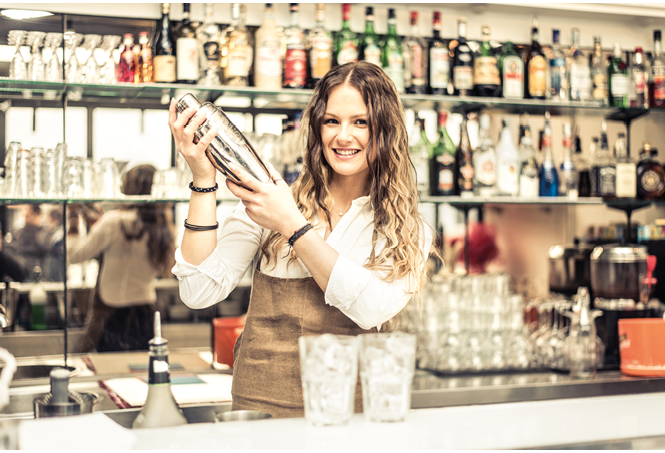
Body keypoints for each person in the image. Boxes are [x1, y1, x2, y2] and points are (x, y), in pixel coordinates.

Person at [169, 61, 433, 418]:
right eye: (331, 121)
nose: (343, 136)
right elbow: (199, 290)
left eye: (361, 122)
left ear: (384, 130)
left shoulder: (406, 228)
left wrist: (292, 225)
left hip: (348, 418)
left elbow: (371, 308)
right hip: (259, 414)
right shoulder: (275, 199)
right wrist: (203, 180)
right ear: (317, 128)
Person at [68, 165, 175, 352]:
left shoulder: (114, 221)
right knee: (142, 373)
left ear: (128, 189)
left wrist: (73, 219)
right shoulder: (163, 225)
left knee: (109, 374)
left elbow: (74, 255)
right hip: (146, 312)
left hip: (112, 313)